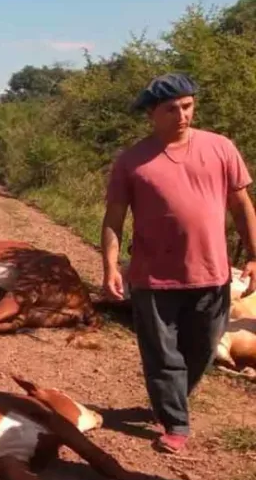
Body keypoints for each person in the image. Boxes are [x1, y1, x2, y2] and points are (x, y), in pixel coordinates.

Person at [101, 72, 256, 454]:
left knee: (201, 349)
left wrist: (253, 255)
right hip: (153, 277)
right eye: (171, 109)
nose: (182, 115)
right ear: (152, 113)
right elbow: (113, 220)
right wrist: (109, 266)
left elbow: (241, 206)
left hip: (212, 272)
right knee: (162, 354)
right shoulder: (132, 161)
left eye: (187, 106)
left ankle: (172, 399)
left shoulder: (220, 148)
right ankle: (176, 422)